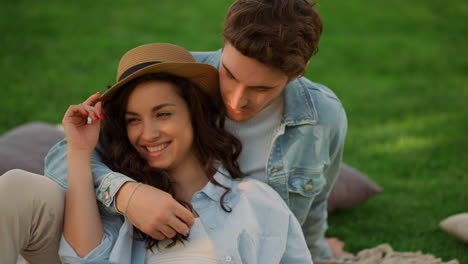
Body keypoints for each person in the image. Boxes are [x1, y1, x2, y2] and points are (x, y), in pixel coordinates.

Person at [0, 0, 347, 262]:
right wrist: (126, 194)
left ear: (297, 73)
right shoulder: (178, 78)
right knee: (18, 187)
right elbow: (66, 154)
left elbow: (311, 209)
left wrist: (316, 253)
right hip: (118, 231)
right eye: (229, 74)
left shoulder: (320, 120)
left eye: (261, 90)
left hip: (226, 235)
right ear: (224, 44)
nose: (237, 101)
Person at [58, 42, 312, 263]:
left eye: (163, 114)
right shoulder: (126, 212)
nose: (148, 134)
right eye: (134, 120)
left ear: (194, 113)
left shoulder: (256, 201)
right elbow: (81, 259)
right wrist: (80, 151)